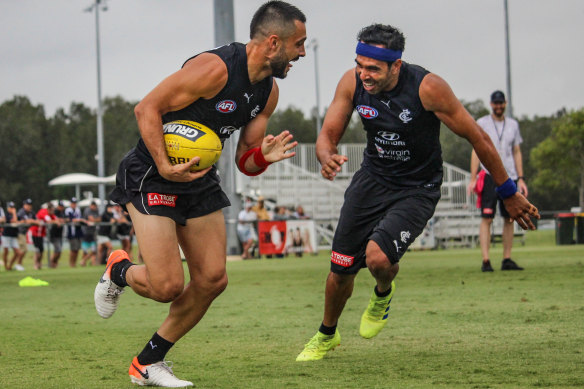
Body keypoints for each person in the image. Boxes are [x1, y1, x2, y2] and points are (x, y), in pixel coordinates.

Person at [296, 24, 540, 362]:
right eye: (360, 64)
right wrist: (326, 157)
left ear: (396, 66)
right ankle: (326, 334)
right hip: (372, 180)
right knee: (340, 269)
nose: (364, 74)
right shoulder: (351, 82)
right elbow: (328, 135)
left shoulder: (429, 88)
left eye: (373, 68)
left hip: (417, 188)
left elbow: (478, 138)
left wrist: (508, 190)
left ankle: (383, 291)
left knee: (378, 258)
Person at [94, 2, 306, 387]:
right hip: (152, 174)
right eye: (299, 44)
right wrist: (162, 164)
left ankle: (148, 362)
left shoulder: (268, 93)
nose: (303, 53)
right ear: (274, 43)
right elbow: (146, 109)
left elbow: (245, 161)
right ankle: (119, 270)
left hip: (199, 179)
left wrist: (264, 157)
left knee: (213, 278)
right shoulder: (216, 69)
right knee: (167, 287)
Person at [468, 90, 528, 272]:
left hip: (509, 175)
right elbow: (475, 149)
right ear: (491, 104)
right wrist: (473, 177)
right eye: (496, 103)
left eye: (501, 103)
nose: (499, 106)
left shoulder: (513, 125)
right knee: (487, 218)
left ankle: (507, 259)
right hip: (488, 175)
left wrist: (521, 178)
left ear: (505, 103)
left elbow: (516, 151)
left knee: (510, 218)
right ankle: (486, 260)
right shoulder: (482, 123)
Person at [15, 199, 36, 271]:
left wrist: (32, 221)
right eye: (27, 205)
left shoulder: (31, 213)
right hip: (18, 232)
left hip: (24, 233)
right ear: (24, 205)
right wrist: (31, 221)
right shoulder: (21, 212)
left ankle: (17, 264)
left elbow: (37, 221)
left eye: (30, 205)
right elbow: (26, 220)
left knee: (22, 250)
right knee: (24, 249)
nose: (29, 206)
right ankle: (18, 264)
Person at [64, 197, 85, 267]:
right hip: (72, 232)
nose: (74, 205)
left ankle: (74, 263)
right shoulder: (68, 210)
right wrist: (79, 220)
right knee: (73, 249)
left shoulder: (78, 210)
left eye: (75, 203)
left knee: (77, 249)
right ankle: (71, 263)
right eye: (73, 203)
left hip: (78, 231)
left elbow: (79, 219)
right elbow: (71, 219)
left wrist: (78, 220)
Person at [2, 202, 22, 271]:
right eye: (11, 207)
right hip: (6, 235)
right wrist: (14, 213)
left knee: (18, 252)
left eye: (13, 207)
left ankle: (10, 266)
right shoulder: (6, 215)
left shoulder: (15, 214)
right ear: (8, 208)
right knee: (6, 252)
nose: (12, 209)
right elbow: (14, 221)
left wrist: (14, 213)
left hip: (14, 235)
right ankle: (5, 266)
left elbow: (18, 221)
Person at [48, 201, 66, 268]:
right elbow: (53, 219)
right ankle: (52, 263)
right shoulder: (55, 212)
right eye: (60, 206)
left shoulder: (62, 212)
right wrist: (59, 220)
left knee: (59, 251)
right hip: (54, 234)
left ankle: (54, 263)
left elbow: (65, 219)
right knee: (57, 250)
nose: (61, 208)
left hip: (59, 234)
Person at [82, 202, 99, 266]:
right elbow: (91, 219)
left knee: (94, 250)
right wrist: (95, 219)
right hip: (86, 232)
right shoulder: (87, 210)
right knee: (85, 250)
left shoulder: (96, 210)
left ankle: (88, 262)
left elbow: (99, 219)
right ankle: (83, 262)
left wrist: (94, 220)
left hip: (93, 232)